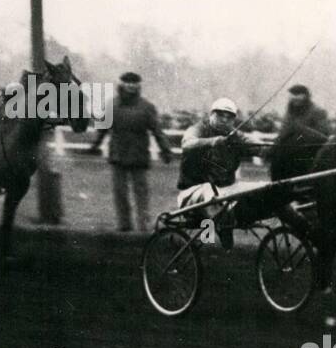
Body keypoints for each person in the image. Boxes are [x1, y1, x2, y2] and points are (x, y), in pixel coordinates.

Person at [86, 72, 173, 232]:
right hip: (118, 154)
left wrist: (166, 150)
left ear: (138, 85)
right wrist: (94, 146)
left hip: (138, 155)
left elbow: (157, 131)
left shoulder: (147, 107)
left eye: (134, 83)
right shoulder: (111, 105)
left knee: (141, 192)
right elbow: (102, 130)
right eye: (128, 82)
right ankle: (124, 225)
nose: (131, 85)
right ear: (122, 84)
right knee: (120, 193)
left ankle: (143, 226)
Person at [176, 97, 265, 249]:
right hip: (191, 193)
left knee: (264, 187)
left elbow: (260, 149)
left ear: (233, 120)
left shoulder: (235, 136)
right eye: (220, 115)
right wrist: (214, 141)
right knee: (209, 193)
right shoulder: (198, 129)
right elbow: (187, 144)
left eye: (229, 117)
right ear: (211, 115)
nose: (224, 119)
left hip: (223, 191)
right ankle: (214, 241)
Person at [266, 84, 331, 181]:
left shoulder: (318, 112)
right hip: (285, 158)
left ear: (306, 96)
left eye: (298, 95)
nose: (295, 99)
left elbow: (323, 136)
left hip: (308, 157)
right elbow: (283, 134)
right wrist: (272, 151)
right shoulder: (289, 113)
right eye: (293, 96)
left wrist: (300, 131)